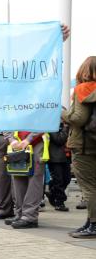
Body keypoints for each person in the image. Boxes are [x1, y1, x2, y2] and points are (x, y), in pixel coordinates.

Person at [63, 56, 96, 238]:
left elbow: (78, 119)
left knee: (89, 187)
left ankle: (94, 225)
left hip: (83, 146)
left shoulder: (82, 89)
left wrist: (62, 114)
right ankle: (90, 221)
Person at [1, 129, 49, 229]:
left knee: (34, 181)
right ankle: (21, 214)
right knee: (18, 176)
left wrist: (28, 139)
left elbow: (44, 121)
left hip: (37, 141)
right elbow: (5, 122)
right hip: (18, 142)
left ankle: (29, 217)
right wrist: (12, 140)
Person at [45, 121, 71, 212]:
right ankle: (59, 202)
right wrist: (66, 127)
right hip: (55, 158)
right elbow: (59, 139)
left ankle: (52, 191)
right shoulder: (51, 125)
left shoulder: (62, 126)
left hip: (65, 156)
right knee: (59, 180)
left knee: (67, 179)